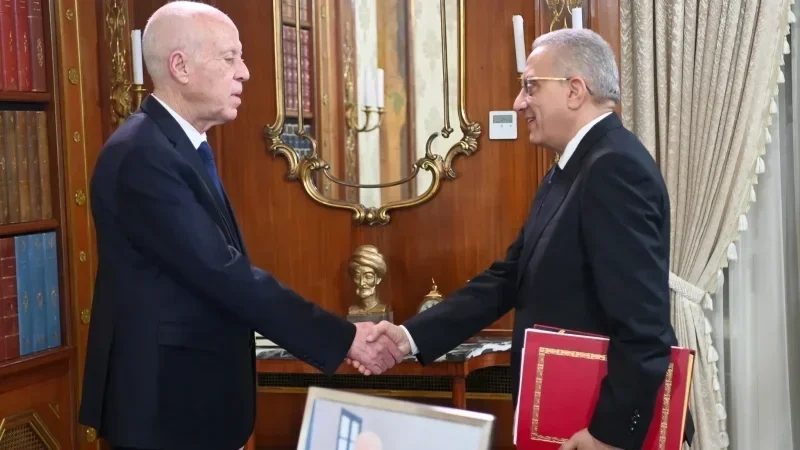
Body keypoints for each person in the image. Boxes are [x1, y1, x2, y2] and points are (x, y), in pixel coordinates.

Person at [78, 3, 402, 450]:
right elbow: (223, 273)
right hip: (164, 410)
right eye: (229, 58)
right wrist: (344, 338)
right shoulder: (141, 155)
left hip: (190, 404)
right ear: (180, 67)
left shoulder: (178, 147)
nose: (245, 72)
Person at [351, 29, 695, 450]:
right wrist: (409, 337)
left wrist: (609, 435)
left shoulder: (614, 169)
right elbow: (509, 277)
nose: (518, 103)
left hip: (605, 429)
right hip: (570, 417)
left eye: (530, 86)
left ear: (575, 90)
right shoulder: (570, 170)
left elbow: (643, 325)